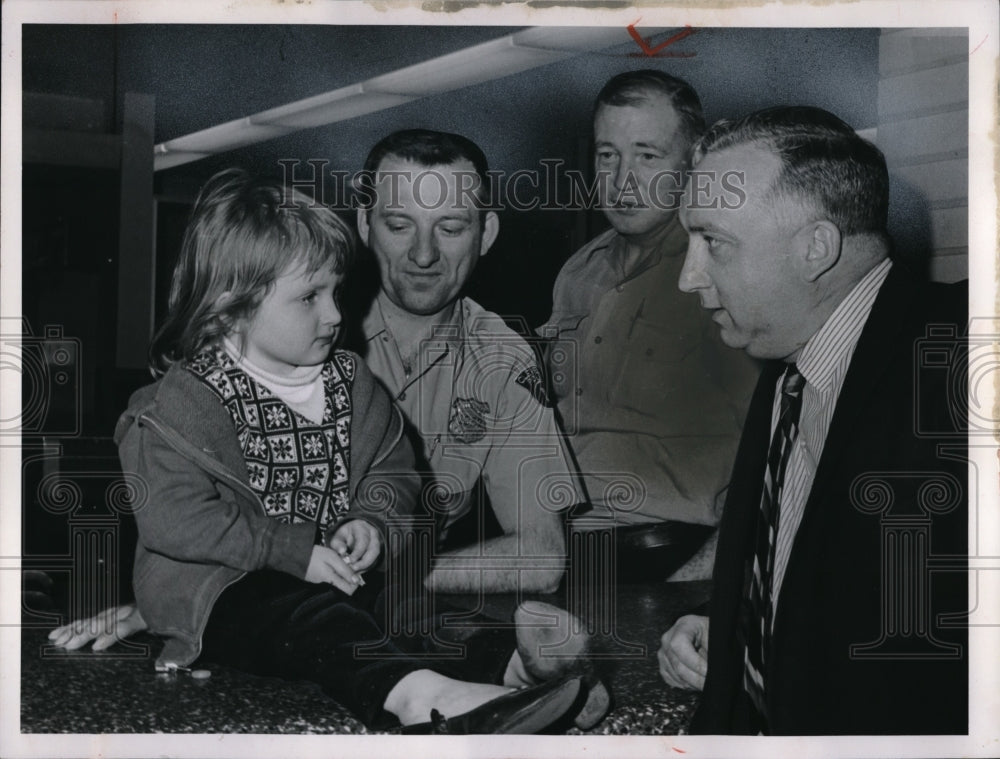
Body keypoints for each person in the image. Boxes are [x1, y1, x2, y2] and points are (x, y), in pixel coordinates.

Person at [50, 168, 590, 734]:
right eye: (309, 296)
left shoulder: (349, 382)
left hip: (332, 581)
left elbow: (394, 469)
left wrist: (371, 520)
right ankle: (415, 700)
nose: (335, 314)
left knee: (408, 612)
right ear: (232, 308)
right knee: (310, 616)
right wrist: (296, 551)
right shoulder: (172, 407)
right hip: (223, 597)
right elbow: (174, 520)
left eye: (335, 290)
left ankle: (514, 669)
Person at [657, 106, 967, 734]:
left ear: (816, 248)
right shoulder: (790, 366)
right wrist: (738, 626)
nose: (689, 277)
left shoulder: (961, 358)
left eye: (713, 241)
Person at [540, 70, 759, 582]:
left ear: (691, 163)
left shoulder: (720, 272)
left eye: (648, 156)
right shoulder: (577, 272)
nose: (623, 181)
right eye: (607, 155)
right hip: (568, 548)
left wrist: (703, 579)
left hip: (670, 554)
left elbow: (768, 443)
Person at [352, 129, 582, 594]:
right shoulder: (309, 327)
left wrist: (383, 579)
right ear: (364, 225)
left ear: (486, 234)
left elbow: (541, 553)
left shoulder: (502, 357)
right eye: (399, 226)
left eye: (451, 228)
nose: (423, 254)